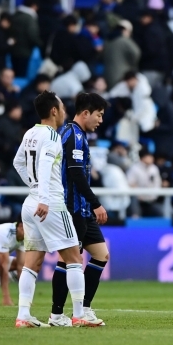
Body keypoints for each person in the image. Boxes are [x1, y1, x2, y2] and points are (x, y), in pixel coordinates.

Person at [12, 90, 103, 328]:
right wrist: (43, 195)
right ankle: (79, 314)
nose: (64, 111)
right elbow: (43, 164)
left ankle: (23, 315)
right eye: (62, 107)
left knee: (32, 263)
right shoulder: (52, 136)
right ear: (54, 110)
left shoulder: (30, 133)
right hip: (49, 202)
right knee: (74, 258)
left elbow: (18, 162)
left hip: (30, 203)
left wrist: (32, 186)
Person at [49, 92, 109, 327]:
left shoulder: (76, 134)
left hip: (82, 209)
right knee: (69, 261)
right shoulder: (73, 135)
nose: (100, 120)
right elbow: (75, 174)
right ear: (86, 113)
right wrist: (96, 204)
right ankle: (57, 314)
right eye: (99, 115)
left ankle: (84, 308)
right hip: (73, 208)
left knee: (101, 254)